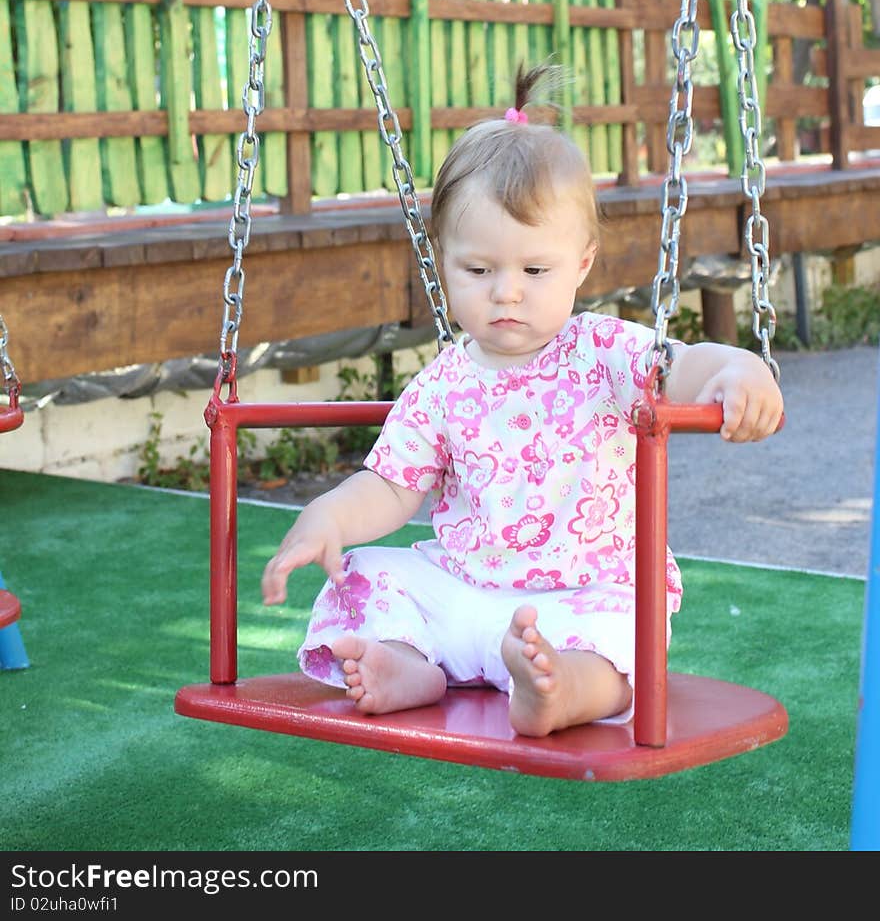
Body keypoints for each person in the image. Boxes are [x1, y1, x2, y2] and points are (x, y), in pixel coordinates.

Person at [261, 64, 784, 737]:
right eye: (478, 270)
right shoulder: (443, 382)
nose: (506, 291)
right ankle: (405, 664)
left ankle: (559, 690)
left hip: (580, 596)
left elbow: (683, 368)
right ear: (444, 262)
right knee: (366, 574)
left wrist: (737, 368)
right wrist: (329, 517)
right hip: (462, 593)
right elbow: (392, 488)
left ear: (582, 264)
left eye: (535, 270)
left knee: (627, 626)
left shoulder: (602, 351)